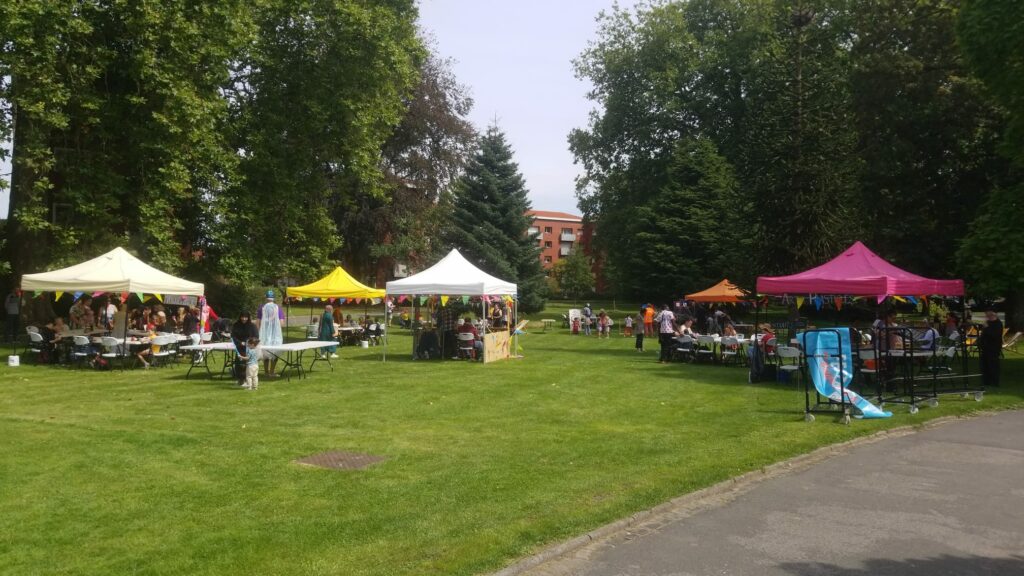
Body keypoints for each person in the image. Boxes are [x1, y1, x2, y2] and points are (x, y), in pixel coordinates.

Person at [256, 290, 284, 377]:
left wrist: (258, 331)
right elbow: (282, 323)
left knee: (265, 351)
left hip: (264, 334)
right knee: (275, 351)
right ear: (273, 298)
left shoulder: (261, 307)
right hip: (275, 334)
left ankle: (266, 372)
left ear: (266, 298)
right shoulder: (278, 308)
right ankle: (272, 371)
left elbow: (258, 322)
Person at [230, 311, 259, 385]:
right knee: (239, 364)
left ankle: (247, 381)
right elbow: (233, 336)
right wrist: (240, 343)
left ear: (248, 318)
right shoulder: (236, 325)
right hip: (239, 348)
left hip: (249, 348)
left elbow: (256, 337)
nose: (244, 319)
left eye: (246, 317)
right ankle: (240, 380)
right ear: (240, 317)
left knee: (248, 365)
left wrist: (249, 343)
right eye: (242, 317)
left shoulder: (252, 326)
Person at [979, 310, 1002, 387]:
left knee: (993, 364)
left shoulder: (998, 324)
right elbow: (984, 334)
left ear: (992, 315)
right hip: (985, 347)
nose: (986, 317)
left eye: (988, 315)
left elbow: (994, 335)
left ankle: (995, 381)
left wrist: (987, 327)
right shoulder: (988, 323)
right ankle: (986, 381)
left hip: (993, 348)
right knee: (985, 365)